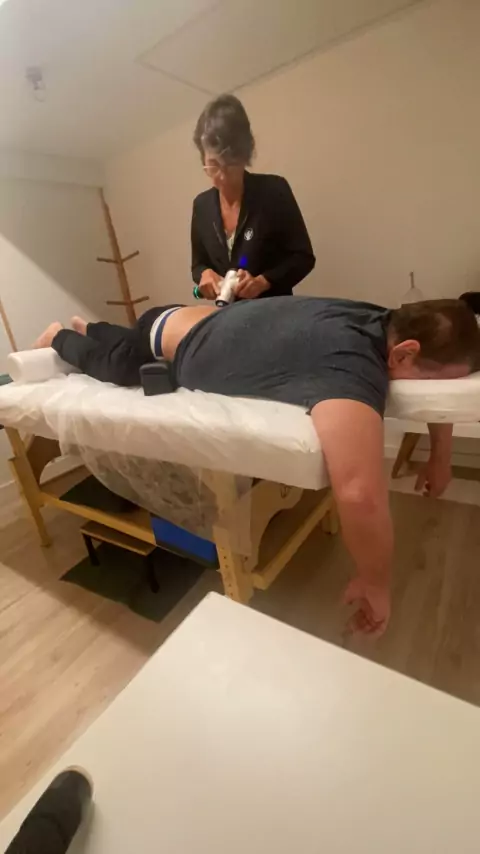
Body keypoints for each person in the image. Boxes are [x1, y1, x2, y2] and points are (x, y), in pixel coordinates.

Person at [35, 297, 479, 636]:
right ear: (404, 353)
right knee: (117, 365)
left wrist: (440, 455)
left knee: (126, 340)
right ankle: (61, 336)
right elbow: (360, 494)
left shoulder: (377, 316)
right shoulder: (352, 363)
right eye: (436, 379)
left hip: (181, 316)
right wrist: (375, 583)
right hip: (163, 343)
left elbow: (435, 397)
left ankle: (92, 327)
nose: (436, 390)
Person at [191, 94, 315, 301]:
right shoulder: (201, 206)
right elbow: (198, 265)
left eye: (230, 164)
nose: (222, 176)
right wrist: (204, 274)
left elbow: (303, 257)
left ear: (244, 156)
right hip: (229, 315)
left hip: (275, 309)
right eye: (213, 165)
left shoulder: (274, 191)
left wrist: (264, 281)